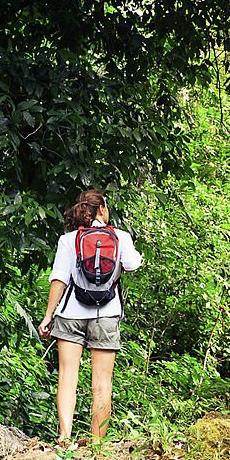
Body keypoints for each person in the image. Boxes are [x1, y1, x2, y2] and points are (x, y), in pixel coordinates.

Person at [38, 189, 142, 445]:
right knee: (102, 382)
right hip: (106, 314)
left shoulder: (69, 239)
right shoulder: (120, 237)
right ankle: (98, 445)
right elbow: (132, 265)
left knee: (67, 376)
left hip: (70, 313)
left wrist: (48, 316)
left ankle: (64, 437)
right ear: (102, 210)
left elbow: (59, 279)